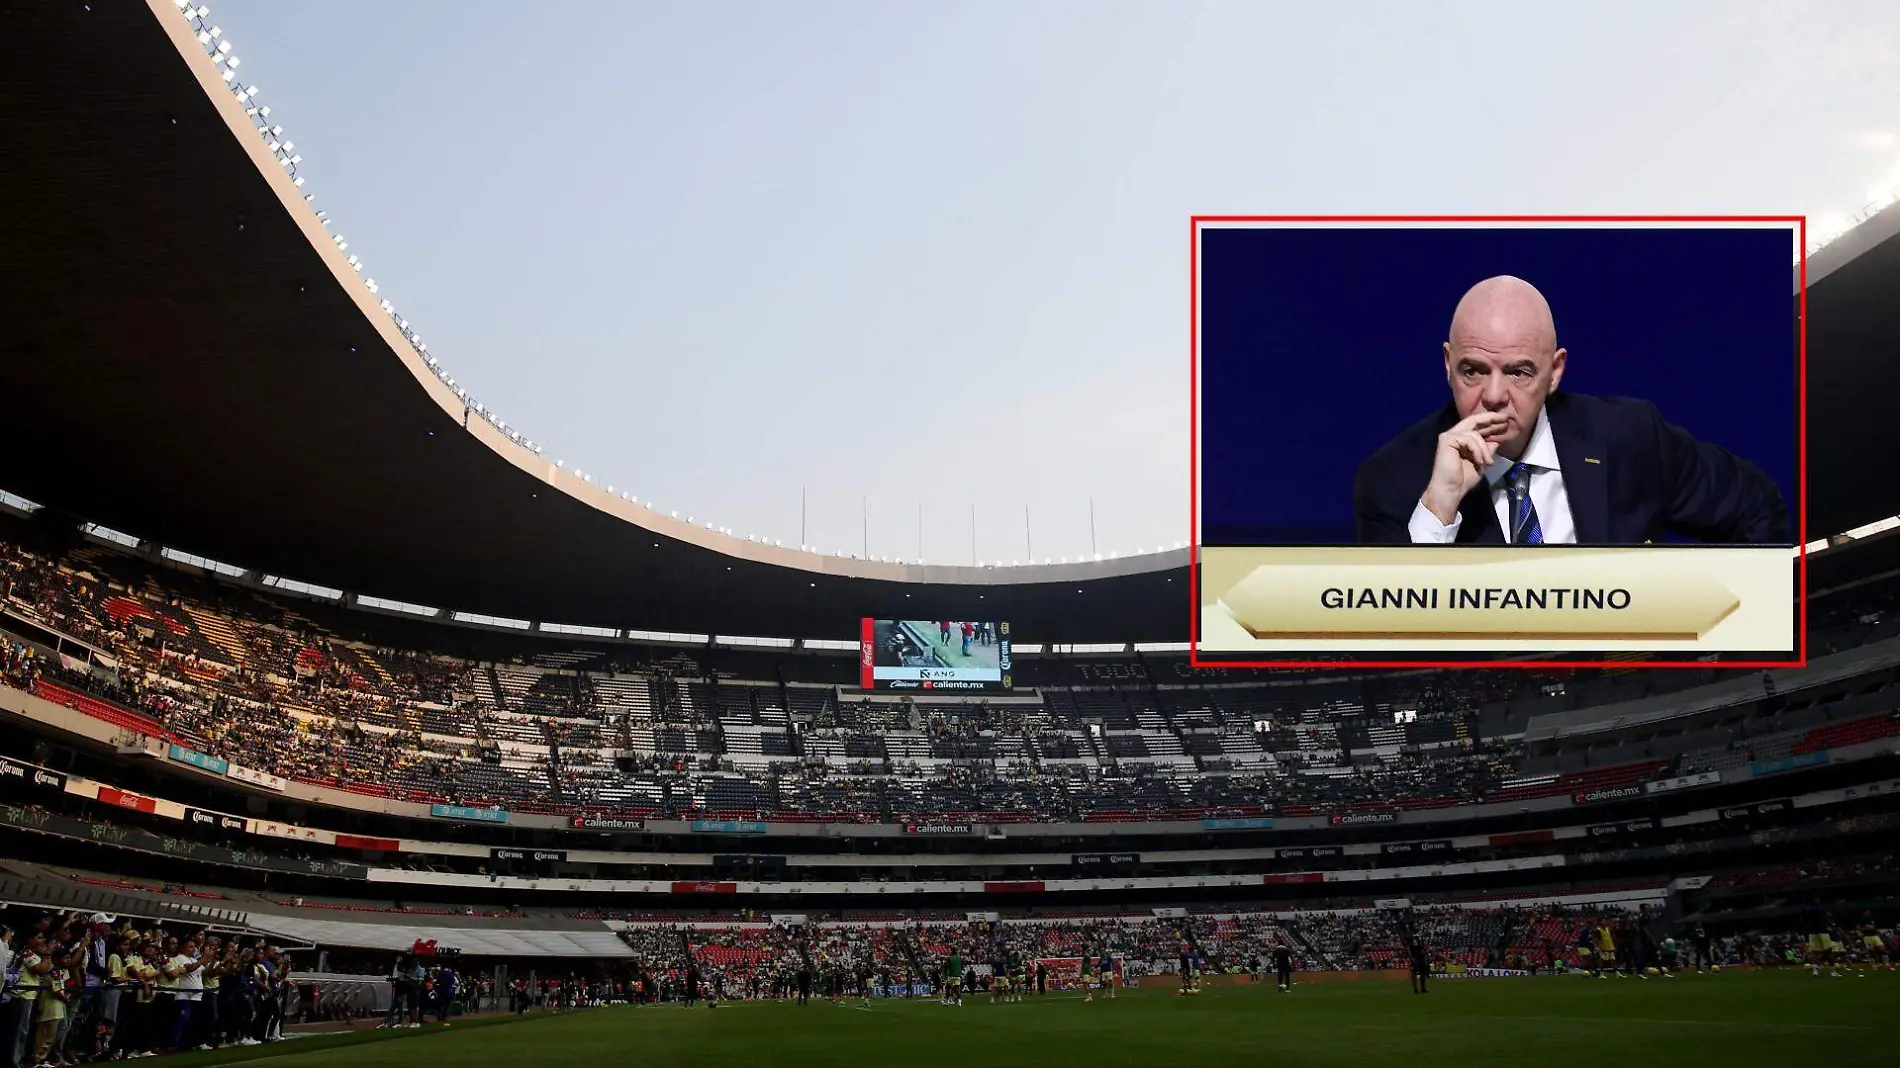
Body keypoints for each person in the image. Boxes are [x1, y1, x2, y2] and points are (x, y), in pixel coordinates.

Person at [1354, 276, 1788, 546]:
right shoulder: (1394, 479)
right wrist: (1439, 509)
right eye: (1473, 370)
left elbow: (1758, 509)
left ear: (1555, 371)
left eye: (1519, 372)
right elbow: (1396, 650)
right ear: (1448, 365)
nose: (1493, 395)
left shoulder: (1630, 436)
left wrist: (1724, 638)